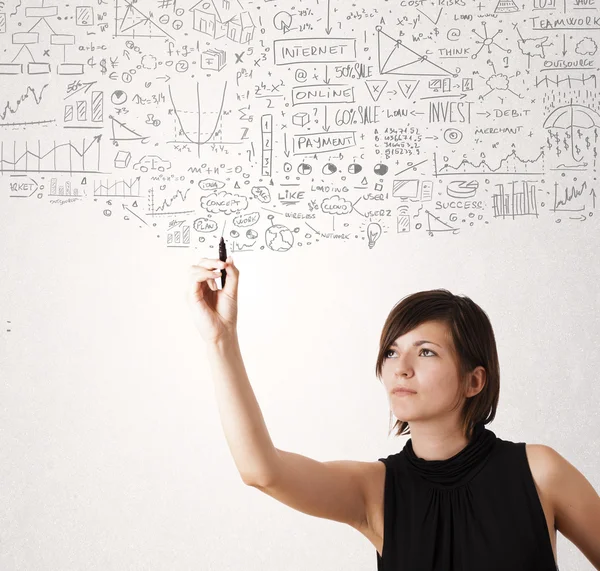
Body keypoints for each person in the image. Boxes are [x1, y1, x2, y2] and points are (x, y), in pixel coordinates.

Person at [187, 256, 600, 571]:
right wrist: (221, 341)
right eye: (391, 351)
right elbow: (262, 472)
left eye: (425, 351)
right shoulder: (375, 489)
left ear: (475, 381)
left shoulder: (540, 471)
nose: (401, 367)